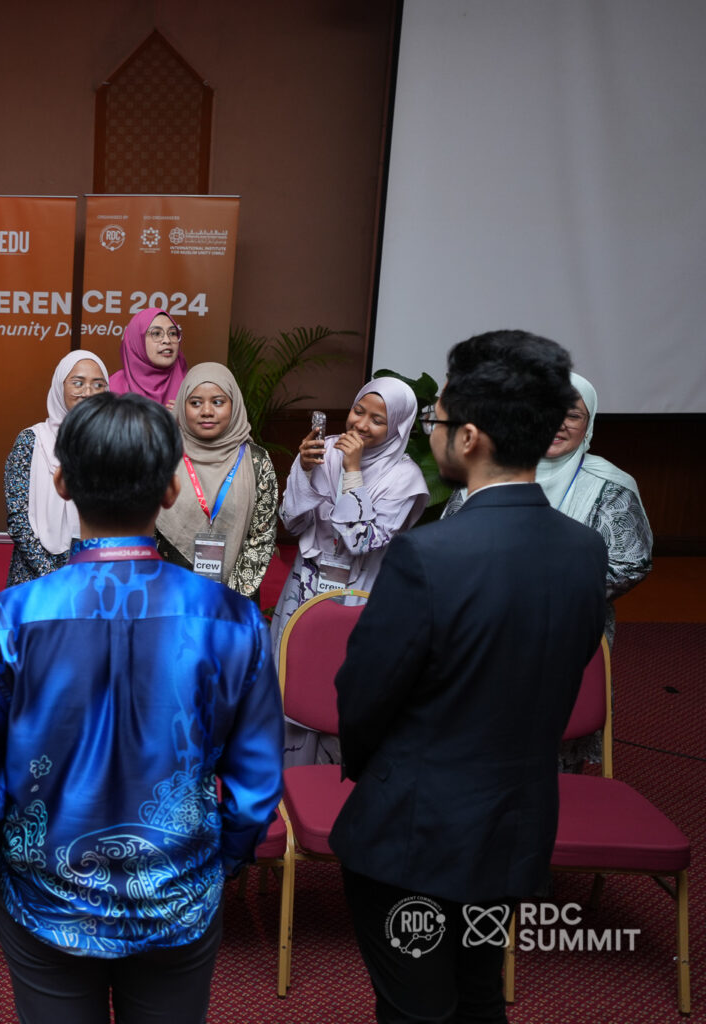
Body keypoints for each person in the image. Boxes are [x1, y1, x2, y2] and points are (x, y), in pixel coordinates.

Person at [0, 391, 283, 1024]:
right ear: (172, 489)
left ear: (62, 483)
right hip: (180, 895)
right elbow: (257, 779)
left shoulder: (11, 619)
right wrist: (223, 859)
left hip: (44, 898)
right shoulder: (232, 621)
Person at [331, 330, 607, 1024]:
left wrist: (376, 773)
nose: (433, 431)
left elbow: (362, 696)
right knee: (480, 995)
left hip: (415, 836)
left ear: (471, 437)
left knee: (416, 1008)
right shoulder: (584, 549)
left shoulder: (429, 555)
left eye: (438, 419)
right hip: (514, 827)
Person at [271, 377, 429, 767]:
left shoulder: (405, 478)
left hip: (359, 597)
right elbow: (291, 522)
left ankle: (330, 786)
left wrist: (353, 471)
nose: (361, 424)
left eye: (378, 419)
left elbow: (362, 540)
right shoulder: (323, 451)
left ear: (397, 428)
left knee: (337, 690)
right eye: (359, 411)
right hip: (303, 591)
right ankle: (282, 785)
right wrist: (304, 470)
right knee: (289, 682)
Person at [442, 371, 652, 648]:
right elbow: (448, 544)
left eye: (573, 415)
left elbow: (630, 564)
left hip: (571, 628)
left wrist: (545, 591)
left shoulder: (611, 485)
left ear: (588, 424)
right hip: (483, 621)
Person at [153, 363, 278, 599]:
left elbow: (261, 535)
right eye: (195, 403)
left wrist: (232, 599)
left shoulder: (256, 461)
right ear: (182, 406)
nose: (207, 411)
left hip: (234, 597)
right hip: (170, 593)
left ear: (234, 405)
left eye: (218, 402)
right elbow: (148, 529)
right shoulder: (164, 456)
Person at [3, 349, 110, 585]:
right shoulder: (32, 441)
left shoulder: (114, 444)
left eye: (98, 384)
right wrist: (52, 575)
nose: (88, 392)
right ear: (60, 387)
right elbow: (18, 518)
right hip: (36, 575)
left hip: (97, 573)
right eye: (78, 383)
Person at [107, 307, 186, 410]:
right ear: (137, 341)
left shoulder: (191, 388)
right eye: (156, 333)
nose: (167, 340)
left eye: (172, 333)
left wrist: (185, 417)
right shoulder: (110, 390)